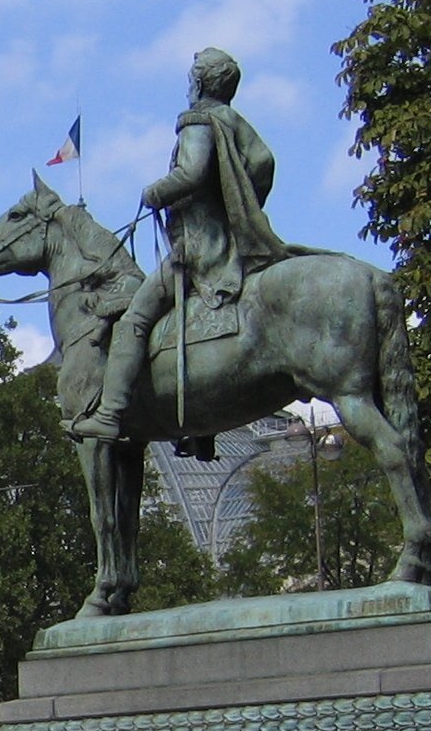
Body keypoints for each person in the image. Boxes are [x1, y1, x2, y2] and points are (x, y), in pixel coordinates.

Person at [70, 46, 293, 442]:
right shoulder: (238, 124)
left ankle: (110, 413)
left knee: (134, 321)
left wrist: (156, 191)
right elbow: (264, 166)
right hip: (233, 243)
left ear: (201, 82)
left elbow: (190, 171)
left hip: (198, 252)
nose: (189, 84)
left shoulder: (198, 121)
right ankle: (199, 433)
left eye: (192, 76)